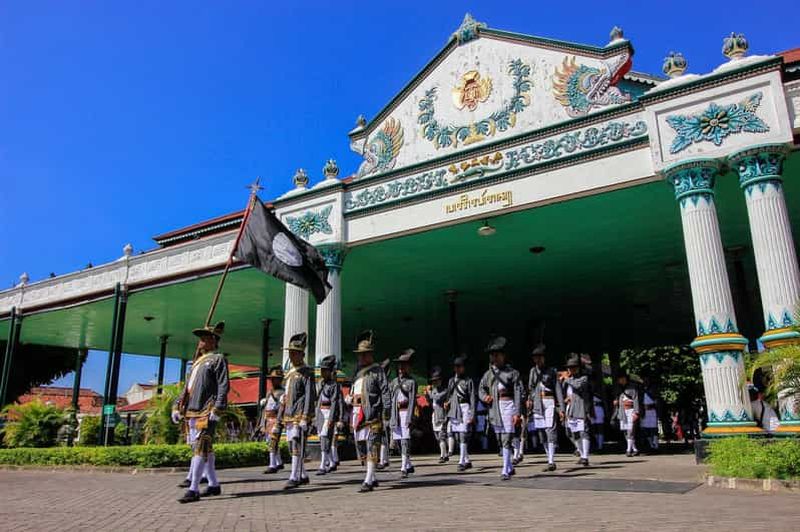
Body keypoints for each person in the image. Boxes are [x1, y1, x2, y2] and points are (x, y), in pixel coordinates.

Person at [172, 321, 229, 503]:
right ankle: (213, 484)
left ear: (213, 340)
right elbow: (187, 388)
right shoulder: (197, 362)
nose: (201, 342)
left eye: (204, 338)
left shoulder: (217, 359)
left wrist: (218, 407)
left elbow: (223, 385)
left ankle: (194, 488)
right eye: (200, 339)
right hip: (191, 411)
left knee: (201, 448)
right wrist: (177, 404)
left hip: (207, 410)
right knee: (206, 450)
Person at [346, 330, 391, 493]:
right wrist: (349, 398)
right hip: (357, 413)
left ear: (370, 354)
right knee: (361, 446)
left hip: (372, 413)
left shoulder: (377, 371)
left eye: (364, 354)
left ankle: (369, 479)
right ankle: (372, 476)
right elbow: (353, 389)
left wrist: (386, 412)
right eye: (360, 355)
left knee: (372, 444)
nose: (361, 357)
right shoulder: (357, 372)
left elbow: (385, 392)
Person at [479, 336, 523, 480]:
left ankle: (504, 469)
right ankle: (509, 466)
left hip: (508, 405)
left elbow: (517, 393)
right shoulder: (488, 374)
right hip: (495, 408)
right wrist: (485, 397)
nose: (494, 357)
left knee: (506, 437)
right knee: (499, 438)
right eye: (492, 355)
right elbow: (481, 389)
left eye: (497, 354)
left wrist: (517, 412)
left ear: (503, 356)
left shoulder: (512, 373)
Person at [279, 332, 316, 490]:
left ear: (301, 354)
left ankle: (294, 476)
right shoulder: (290, 373)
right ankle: (303, 474)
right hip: (288, 414)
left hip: (299, 414)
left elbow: (309, 395)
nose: (291, 356)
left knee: (296, 444)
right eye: (290, 353)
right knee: (291, 444)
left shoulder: (306, 372)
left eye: (294, 353)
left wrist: (306, 416)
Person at [527, 343, 563, 472]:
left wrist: (561, 407)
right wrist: (529, 400)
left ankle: (552, 460)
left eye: (540, 357)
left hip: (549, 401)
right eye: (536, 357)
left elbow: (558, 389)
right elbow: (531, 388)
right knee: (541, 431)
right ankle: (548, 458)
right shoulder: (533, 371)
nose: (538, 360)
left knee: (550, 429)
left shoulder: (552, 371)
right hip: (537, 402)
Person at [389, 349, 417, 478]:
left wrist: (410, 417)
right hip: (396, 413)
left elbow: (412, 401)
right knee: (399, 441)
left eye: (404, 365)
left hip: (406, 412)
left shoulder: (412, 382)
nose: (401, 367)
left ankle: (403, 466)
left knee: (405, 440)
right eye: (400, 365)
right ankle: (408, 464)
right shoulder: (394, 382)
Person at [560, 353, 592, 467]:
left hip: (581, 407)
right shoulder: (568, 380)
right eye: (569, 368)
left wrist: (566, 378)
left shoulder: (584, 378)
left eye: (573, 367)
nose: (571, 370)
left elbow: (577, 386)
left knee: (584, 432)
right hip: (570, 408)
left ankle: (585, 456)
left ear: (578, 368)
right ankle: (581, 453)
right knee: (572, 433)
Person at [446, 355, 476, 471]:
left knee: (463, 434)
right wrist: (447, 403)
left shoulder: (468, 381)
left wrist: (472, 414)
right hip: (454, 408)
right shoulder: (451, 381)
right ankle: (467, 460)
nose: (458, 369)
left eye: (460, 367)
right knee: (458, 436)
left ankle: (462, 461)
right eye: (456, 367)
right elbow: (449, 395)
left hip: (465, 407)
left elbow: (472, 398)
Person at [315, 354, 343, 475]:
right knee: (322, 438)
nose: (322, 372)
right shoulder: (321, 384)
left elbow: (335, 403)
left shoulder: (334, 386)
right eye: (321, 370)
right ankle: (331, 462)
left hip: (328, 414)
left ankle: (323, 464)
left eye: (325, 370)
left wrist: (333, 418)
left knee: (326, 438)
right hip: (320, 413)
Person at [259, 366, 285, 474]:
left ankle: (272, 464)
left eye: (276, 378)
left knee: (273, 442)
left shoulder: (282, 393)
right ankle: (279, 462)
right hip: (268, 420)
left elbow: (282, 409)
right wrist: (262, 423)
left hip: (275, 419)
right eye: (272, 378)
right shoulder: (269, 392)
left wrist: (278, 422)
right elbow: (265, 410)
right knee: (270, 442)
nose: (273, 380)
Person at [613, 372, 642, 457]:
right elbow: (618, 399)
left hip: (631, 411)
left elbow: (636, 400)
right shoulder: (619, 389)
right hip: (622, 411)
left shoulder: (632, 388)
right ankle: (635, 449)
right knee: (626, 431)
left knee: (630, 431)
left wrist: (636, 412)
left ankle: (628, 450)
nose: (621, 380)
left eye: (622, 378)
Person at [426, 367, 450, 463]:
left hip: (441, 415)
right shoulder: (434, 389)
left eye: (437, 380)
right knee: (437, 436)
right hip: (434, 414)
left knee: (441, 435)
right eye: (434, 381)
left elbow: (437, 397)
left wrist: (429, 392)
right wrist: (427, 394)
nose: (435, 383)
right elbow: (430, 400)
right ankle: (445, 453)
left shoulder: (444, 390)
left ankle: (443, 455)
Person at [377, 358, 393, 470]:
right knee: (381, 435)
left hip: (385, 411)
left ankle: (383, 459)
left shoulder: (388, 384)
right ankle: (384, 459)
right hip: (379, 411)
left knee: (384, 435)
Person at [640, 376, 660, 452]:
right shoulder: (641, 390)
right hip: (644, 411)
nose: (645, 381)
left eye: (646, 380)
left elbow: (657, 400)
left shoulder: (653, 389)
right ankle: (651, 444)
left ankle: (656, 444)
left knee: (654, 428)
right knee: (646, 429)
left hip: (652, 411)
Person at [591, 379, 607, 452]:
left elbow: (604, 401)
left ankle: (600, 445)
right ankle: (597, 443)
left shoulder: (600, 390)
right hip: (591, 409)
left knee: (600, 427)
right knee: (594, 428)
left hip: (598, 408)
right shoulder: (588, 390)